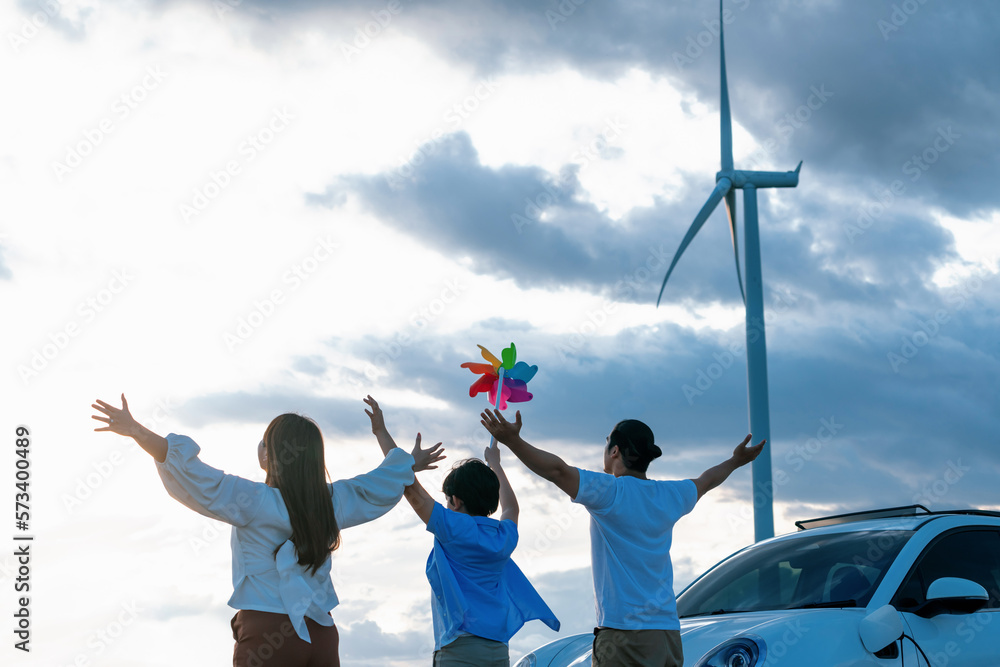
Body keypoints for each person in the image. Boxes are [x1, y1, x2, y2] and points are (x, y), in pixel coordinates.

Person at [91, 393, 444, 667]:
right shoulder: (333, 501)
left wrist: (136, 430)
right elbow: (378, 483)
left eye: (264, 442)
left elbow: (194, 474)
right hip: (322, 635)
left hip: (267, 633)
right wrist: (410, 462)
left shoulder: (252, 499)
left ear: (270, 455)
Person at [481, 410, 765, 667]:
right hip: (667, 634)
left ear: (615, 450)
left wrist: (512, 441)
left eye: (606, 443)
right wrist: (736, 461)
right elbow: (706, 480)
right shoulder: (671, 495)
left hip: (624, 636)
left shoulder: (609, 492)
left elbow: (557, 470)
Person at [395, 436, 560, 666]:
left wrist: (388, 440)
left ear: (455, 500)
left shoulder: (452, 528)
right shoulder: (503, 536)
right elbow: (511, 506)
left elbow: (410, 489)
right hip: (498, 651)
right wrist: (496, 465)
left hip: (459, 650)